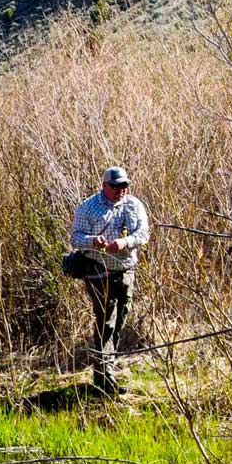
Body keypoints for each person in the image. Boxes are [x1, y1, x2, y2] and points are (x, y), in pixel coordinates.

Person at [70, 165, 150, 393]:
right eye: (116, 186)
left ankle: (105, 369)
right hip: (98, 271)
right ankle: (106, 378)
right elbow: (76, 237)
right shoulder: (88, 207)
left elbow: (143, 233)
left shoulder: (134, 205)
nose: (121, 190)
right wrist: (94, 241)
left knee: (121, 318)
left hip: (125, 271)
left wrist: (125, 243)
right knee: (106, 318)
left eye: (124, 186)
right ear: (104, 185)